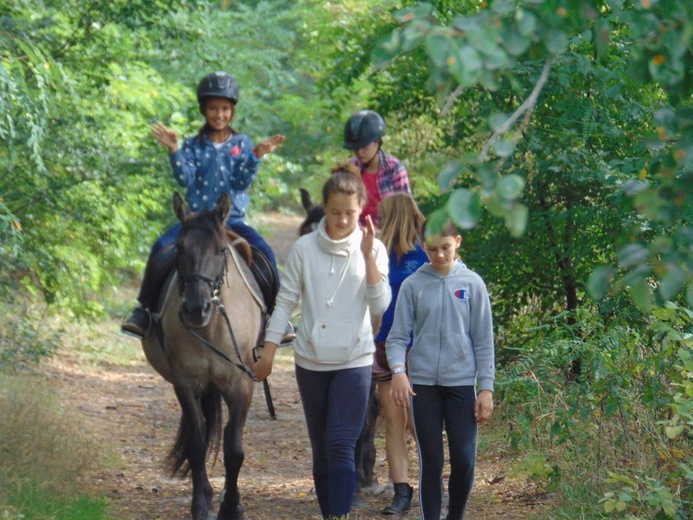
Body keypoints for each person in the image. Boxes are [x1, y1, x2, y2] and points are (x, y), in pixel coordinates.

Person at [253, 164, 392, 520]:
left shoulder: (373, 248)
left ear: (361, 209)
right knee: (321, 448)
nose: (342, 219)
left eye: (349, 212)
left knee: (342, 444)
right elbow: (285, 301)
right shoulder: (304, 248)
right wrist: (268, 354)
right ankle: (331, 513)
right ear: (324, 209)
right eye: (334, 212)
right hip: (311, 361)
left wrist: (366, 256)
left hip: (354, 360)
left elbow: (381, 305)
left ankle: (339, 516)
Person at [121, 71, 285, 339]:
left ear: (232, 111)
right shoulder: (193, 145)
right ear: (204, 110)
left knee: (265, 253)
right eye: (212, 109)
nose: (219, 115)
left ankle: (277, 317)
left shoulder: (242, 144)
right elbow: (184, 178)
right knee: (161, 247)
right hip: (196, 222)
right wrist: (174, 149)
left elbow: (241, 183)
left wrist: (256, 155)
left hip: (230, 222)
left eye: (224, 109)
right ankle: (144, 312)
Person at [386, 221, 495, 520]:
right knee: (431, 461)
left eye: (445, 247)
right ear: (423, 246)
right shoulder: (413, 285)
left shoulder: (473, 284)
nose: (439, 255)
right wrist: (398, 370)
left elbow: (484, 341)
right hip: (422, 385)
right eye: (432, 248)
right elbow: (396, 338)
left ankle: (455, 515)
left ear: (457, 242)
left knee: (463, 459)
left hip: (461, 383)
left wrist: (486, 388)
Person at [371, 193, 429, 516]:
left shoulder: (425, 254)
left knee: (418, 422)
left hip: (419, 347)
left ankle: (432, 483)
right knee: (393, 421)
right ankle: (401, 491)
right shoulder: (379, 254)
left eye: (382, 216)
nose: (378, 221)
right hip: (384, 344)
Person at [343, 110, 411, 227]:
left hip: (390, 237)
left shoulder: (394, 169)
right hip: (355, 236)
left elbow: (405, 211)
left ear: (378, 142)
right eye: (355, 148)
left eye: (364, 146)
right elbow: (341, 208)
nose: (359, 152)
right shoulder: (348, 170)